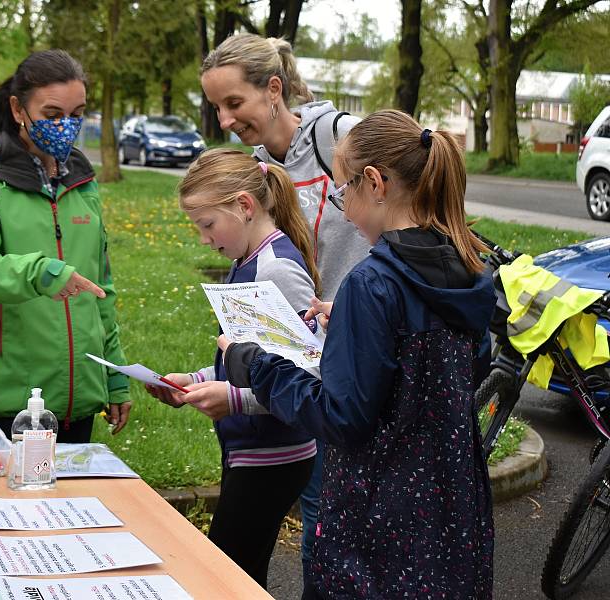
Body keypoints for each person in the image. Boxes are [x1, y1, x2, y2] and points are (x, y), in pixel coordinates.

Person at [220, 110, 496, 598]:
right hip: (452, 516)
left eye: (343, 190)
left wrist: (254, 365)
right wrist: (351, 325)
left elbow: (342, 416)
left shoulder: (372, 285)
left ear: (375, 183)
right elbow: (469, 365)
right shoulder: (468, 269)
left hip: (381, 527)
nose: (343, 207)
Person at [199, 32, 370, 581]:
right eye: (216, 108)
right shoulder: (255, 169)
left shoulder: (338, 138)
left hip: (351, 349)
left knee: (331, 518)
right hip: (298, 364)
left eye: (234, 103)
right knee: (313, 510)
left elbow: (410, 198)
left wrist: (356, 304)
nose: (225, 119)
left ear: (274, 90)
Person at [145, 148, 319, 589]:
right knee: (241, 577)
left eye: (207, 225)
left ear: (244, 206)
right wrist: (199, 380)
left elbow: (308, 378)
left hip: (275, 455)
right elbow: (250, 358)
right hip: (252, 451)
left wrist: (234, 399)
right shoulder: (244, 261)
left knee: (222, 579)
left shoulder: (275, 268)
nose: (204, 238)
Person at [0, 49, 131, 443]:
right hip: (7, 398)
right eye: (52, 115)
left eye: (77, 114)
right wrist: (40, 272)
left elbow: (102, 288)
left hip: (78, 399)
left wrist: (114, 376)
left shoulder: (82, 181)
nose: (66, 126)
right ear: (18, 109)